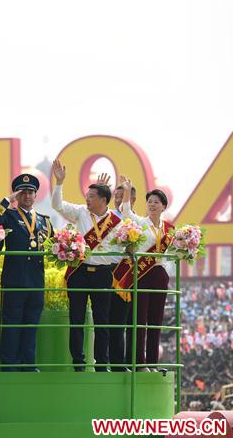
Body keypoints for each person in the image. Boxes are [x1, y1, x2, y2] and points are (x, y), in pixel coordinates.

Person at [51, 159, 124, 372]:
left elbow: (122, 250)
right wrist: (59, 183)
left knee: (102, 323)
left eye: (91, 197)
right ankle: (78, 363)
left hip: (104, 274)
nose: (87, 199)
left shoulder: (117, 222)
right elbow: (58, 205)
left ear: (104, 200)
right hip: (80, 272)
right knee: (77, 320)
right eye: (87, 196)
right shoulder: (81, 213)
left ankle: (102, 364)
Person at [0, 173, 54, 372]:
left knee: (31, 324)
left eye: (30, 192)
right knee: (12, 324)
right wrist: (8, 199)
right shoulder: (9, 215)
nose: (27, 196)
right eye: (22, 192)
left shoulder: (44, 220)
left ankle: (29, 363)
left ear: (36, 195)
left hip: (36, 280)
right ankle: (9, 364)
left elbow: (54, 244)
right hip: (14, 278)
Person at [115, 177, 174, 371]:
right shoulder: (140, 222)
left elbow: (175, 253)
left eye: (156, 202)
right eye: (149, 202)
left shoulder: (169, 229)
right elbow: (126, 211)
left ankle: (152, 363)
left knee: (156, 321)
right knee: (139, 321)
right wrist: (127, 191)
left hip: (160, 275)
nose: (152, 205)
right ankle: (139, 363)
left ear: (163, 206)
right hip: (142, 274)